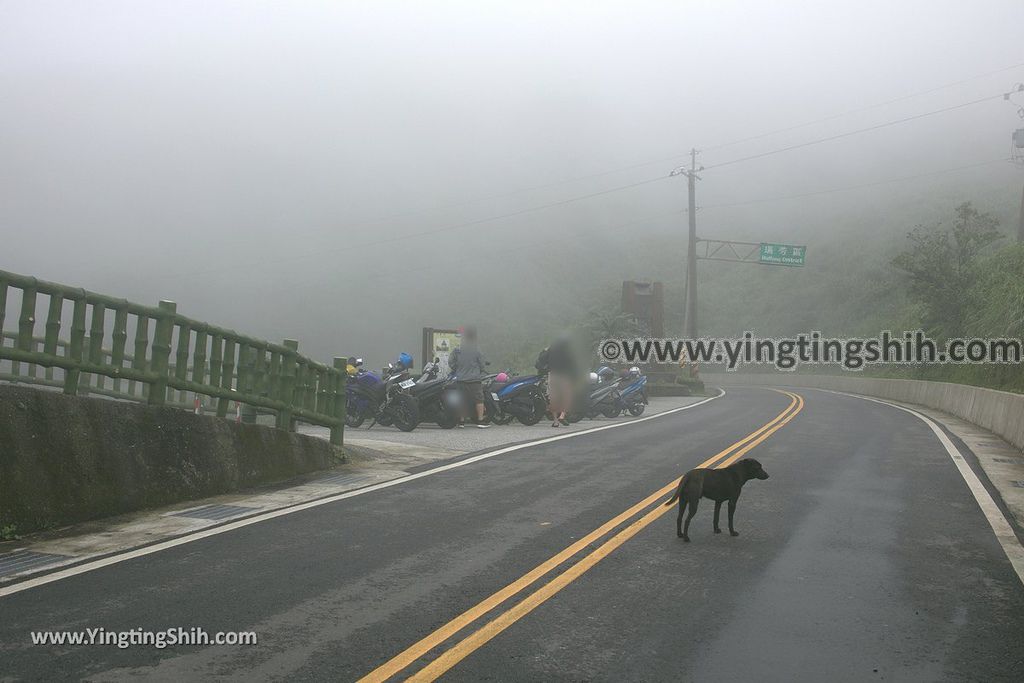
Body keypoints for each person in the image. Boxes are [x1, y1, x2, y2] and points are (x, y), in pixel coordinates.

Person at [449, 326, 490, 428]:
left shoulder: (457, 349)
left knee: (462, 400)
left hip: (461, 379)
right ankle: (480, 421)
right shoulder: (477, 350)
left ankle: (461, 422)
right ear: (474, 337)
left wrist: (457, 369)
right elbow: (482, 364)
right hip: (474, 380)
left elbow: (451, 362)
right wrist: (478, 371)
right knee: (479, 400)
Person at [545, 332, 577, 427]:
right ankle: (562, 415)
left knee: (554, 399)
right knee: (567, 397)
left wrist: (546, 350)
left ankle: (555, 421)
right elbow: (572, 366)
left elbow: (541, 359)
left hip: (552, 375)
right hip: (564, 376)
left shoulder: (551, 350)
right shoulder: (567, 353)